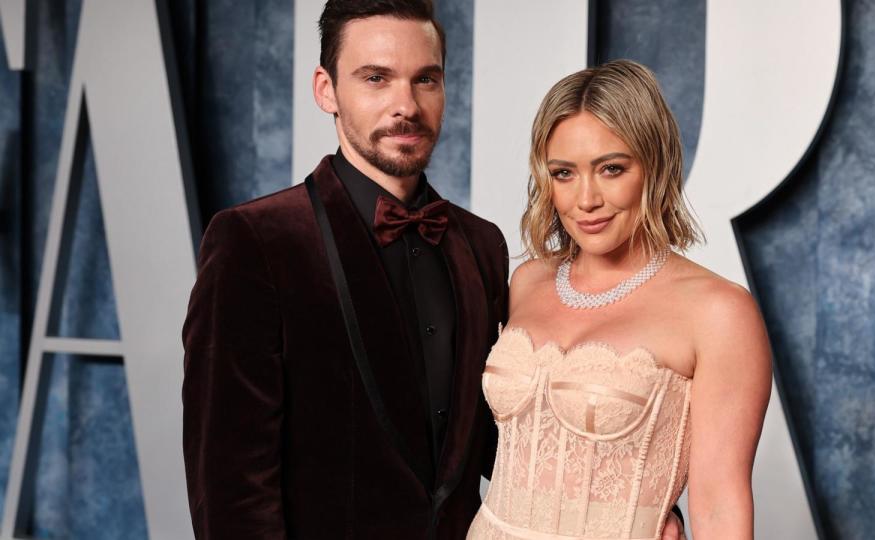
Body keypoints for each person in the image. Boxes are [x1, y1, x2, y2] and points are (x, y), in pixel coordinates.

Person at [182, 0, 687, 537]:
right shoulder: (255, 241)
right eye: (376, 78)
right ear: (325, 89)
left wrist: (637, 513)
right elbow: (230, 483)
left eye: (425, 79)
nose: (406, 105)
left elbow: (509, 437)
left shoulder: (481, 245)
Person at [467, 60, 772, 539]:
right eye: (564, 173)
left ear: (655, 166)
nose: (585, 199)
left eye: (611, 169)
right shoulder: (527, 281)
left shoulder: (717, 311)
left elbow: (719, 505)